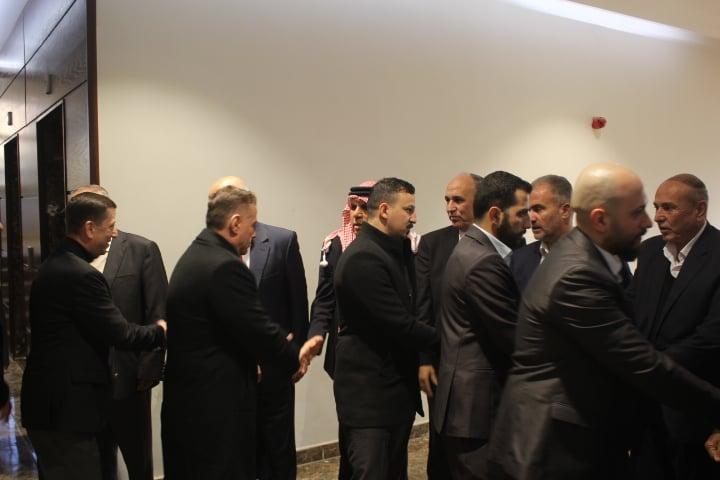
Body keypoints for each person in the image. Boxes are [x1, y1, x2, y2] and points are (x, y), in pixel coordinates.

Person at [486, 163, 720, 480]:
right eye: (637, 212)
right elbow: (639, 360)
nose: (649, 221)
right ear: (600, 219)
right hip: (554, 447)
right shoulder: (578, 273)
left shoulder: (586, 258)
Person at [21, 193, 167, 480]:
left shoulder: (56, 262)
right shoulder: (79, 274)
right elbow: (120, 332)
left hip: (56, 405)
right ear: (89, 228)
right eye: (110, 226)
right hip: (66, 410)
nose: (114, 233)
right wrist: (160, 330)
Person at [161, 186, 300, 480]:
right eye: (252, 224)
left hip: (190, 408)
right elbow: (258, 330)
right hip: (215, 413)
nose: (254, 233)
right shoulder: (225, 266)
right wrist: (292, 354)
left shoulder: (196, 253)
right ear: (235, 223)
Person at [333, 177, 437, 479]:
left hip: (392, 394)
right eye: (408, 209)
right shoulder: (364, 257)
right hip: (370, 400)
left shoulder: (393, 249)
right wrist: (451, 339)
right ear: (384, 210)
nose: (414, 218)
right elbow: (400, 324)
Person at [207, 176, 308, 480]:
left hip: (275, 375)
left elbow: (297, 305)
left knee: (278, 454)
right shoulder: (207, 251)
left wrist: (296, 356)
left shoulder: (281, 241)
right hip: (231, 378)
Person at [434, 171, 530, 479]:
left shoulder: (472, 248)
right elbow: (512, 338)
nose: (528, 223)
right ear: (496, 214)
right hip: (476, 411)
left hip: (470, 408)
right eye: (522, 213)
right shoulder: (483, 261)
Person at [70, 185, 167, 480]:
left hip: (129, 377)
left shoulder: (141, 249)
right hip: (85, 382)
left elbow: (158, 310)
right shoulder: (68, 257)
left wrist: (149, 368)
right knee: (97, 463)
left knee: (139, 462)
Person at [630, 174, 720, 479]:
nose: (658, 216)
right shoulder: (649, 251)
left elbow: (712, 336)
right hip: (645, 412)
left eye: (669, 207)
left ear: (700, 210)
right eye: (656, 207)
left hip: (696, 413)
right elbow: (633, 312)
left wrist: (650, 364)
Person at [415, 173, 483, 480]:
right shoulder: (433, 244)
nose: (450, 207)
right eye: (447, 200)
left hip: (483, 366)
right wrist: (425, 359)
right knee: (441, 443)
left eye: (458, 200)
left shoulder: (503, 243)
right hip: (441, 363)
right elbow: (423, 307)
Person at [303, 181, 375, 379]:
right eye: (353, 207)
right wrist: (316, 334)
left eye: (364, 207)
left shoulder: (401, 244)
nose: (356, 214)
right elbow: (325, 298)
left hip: (383, 354)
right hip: (344, 350)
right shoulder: (334, 244)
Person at [510, 175, 573, 292]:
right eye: (529, 210)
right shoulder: (518, 259)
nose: (531, 218)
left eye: (538, 209)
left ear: (565, 211)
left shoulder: (590, 256)